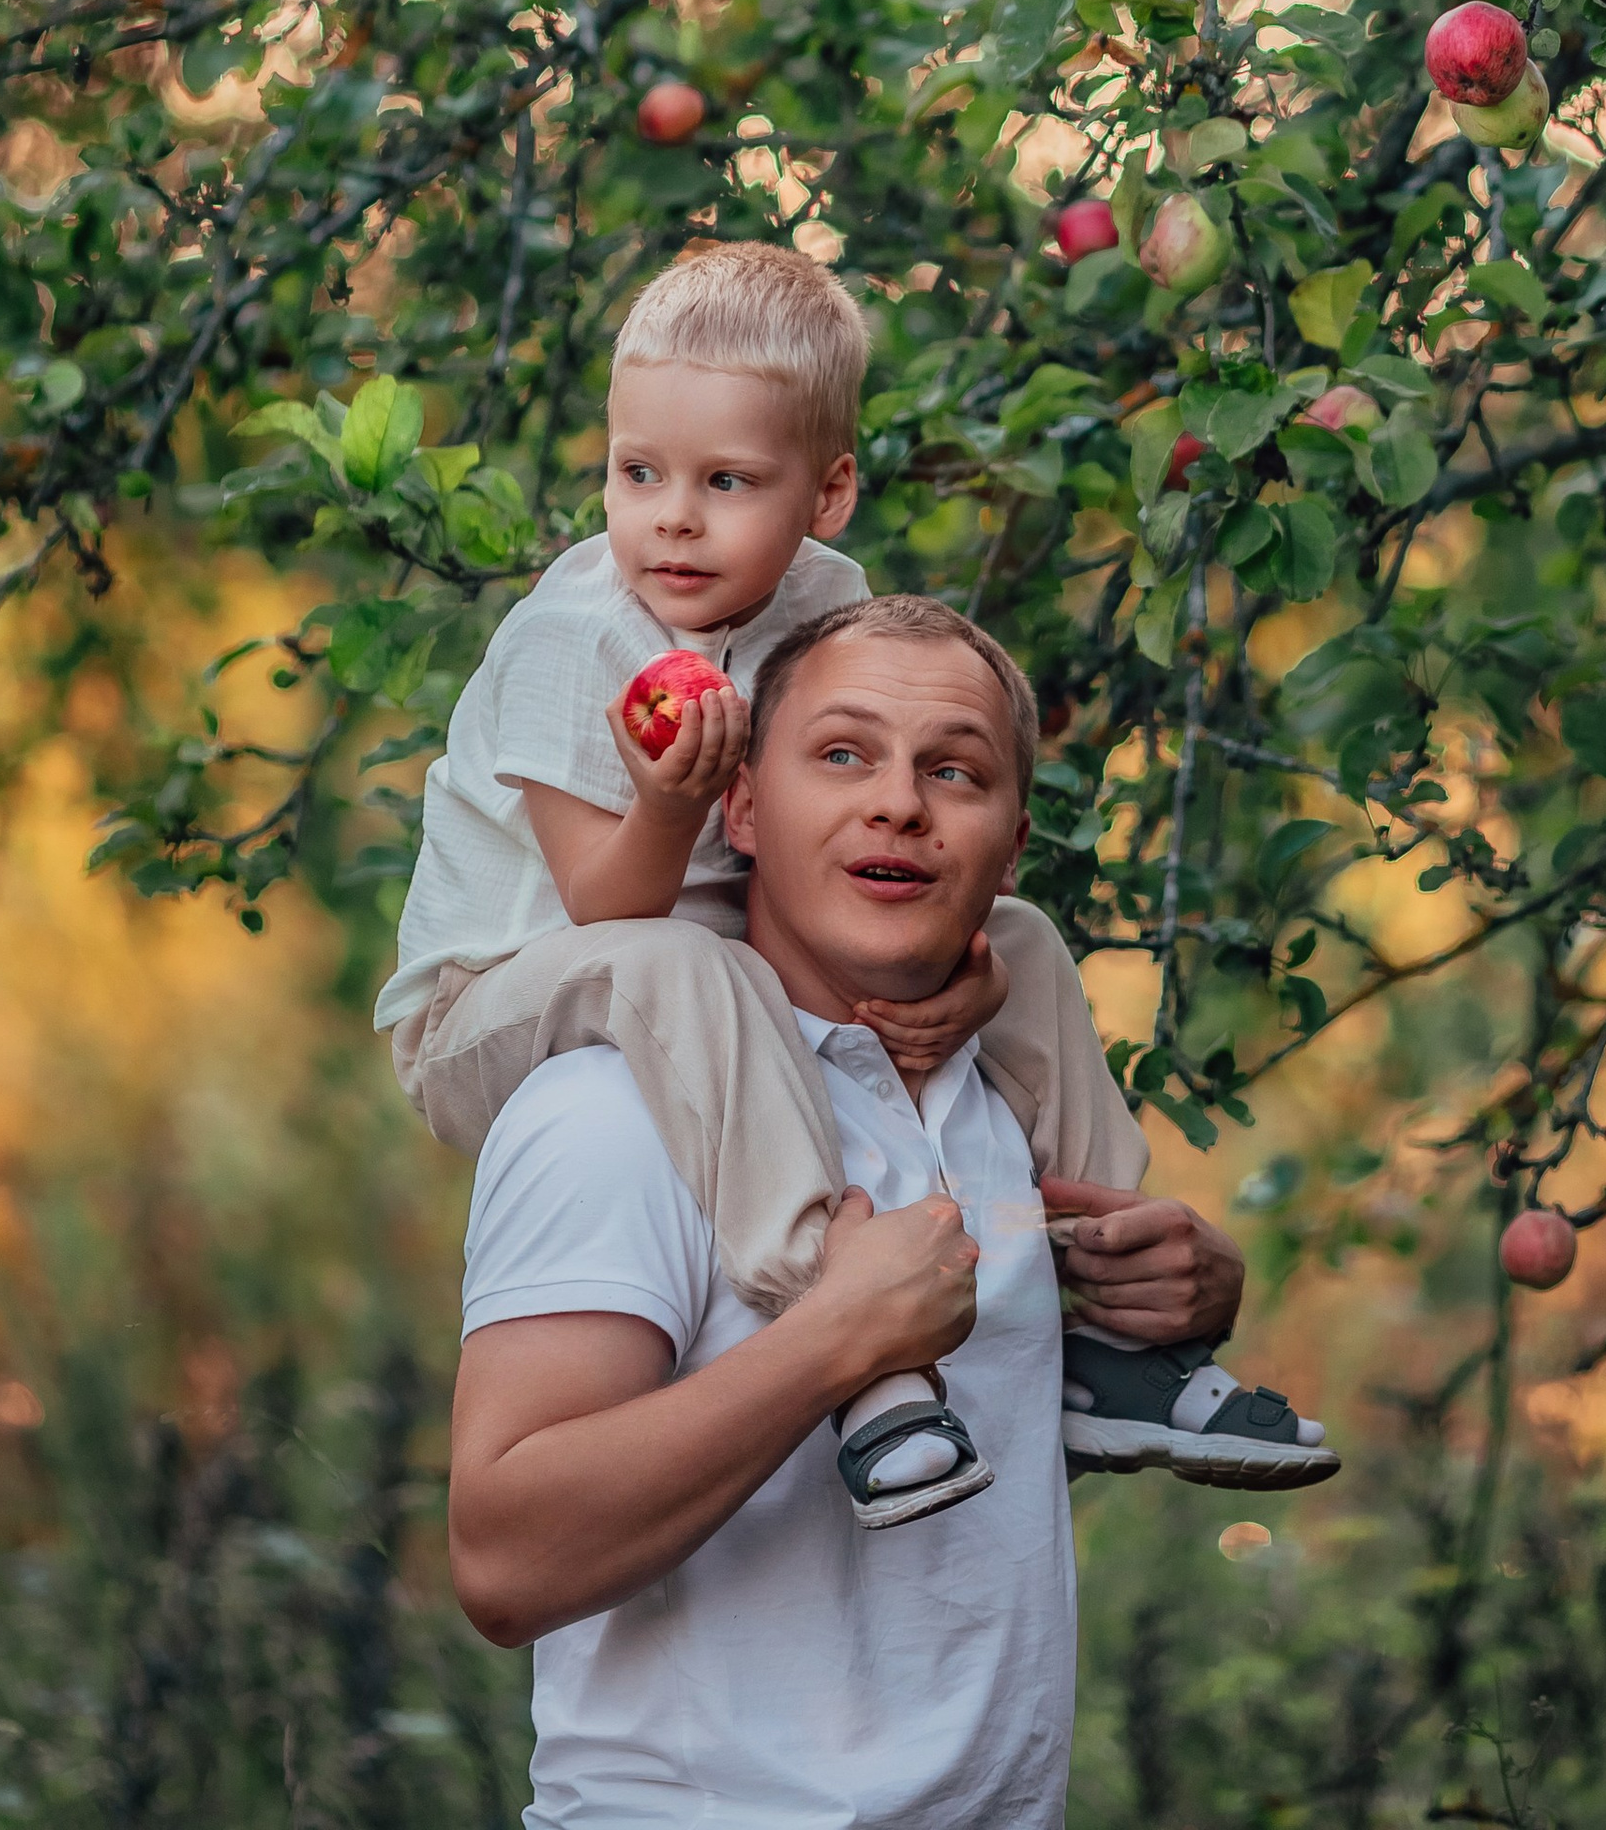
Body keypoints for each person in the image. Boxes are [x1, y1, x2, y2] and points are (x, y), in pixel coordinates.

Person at [382, 243, 1333, 1517]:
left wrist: (970, 970)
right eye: (637, 473)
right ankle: (833, 1295)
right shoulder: (573, 640)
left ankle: (1110, 1321)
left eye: (727, 481)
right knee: (682, 961)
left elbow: (819, 823)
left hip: (681, 950)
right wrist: (669, 798)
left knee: (1031, 935)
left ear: (826, 495)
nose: (672, 517)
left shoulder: (822, 602)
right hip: (500, 993)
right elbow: (610, 913)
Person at [448, 594, 1258, 1830]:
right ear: (744, 810)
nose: (899, 803)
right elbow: (502, 1565)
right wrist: (833, 1341)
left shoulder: (1001, 1113)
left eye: (954, 770)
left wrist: (1170, 1298)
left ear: (1011, 839)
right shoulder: (613, 1112)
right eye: (842, 754)